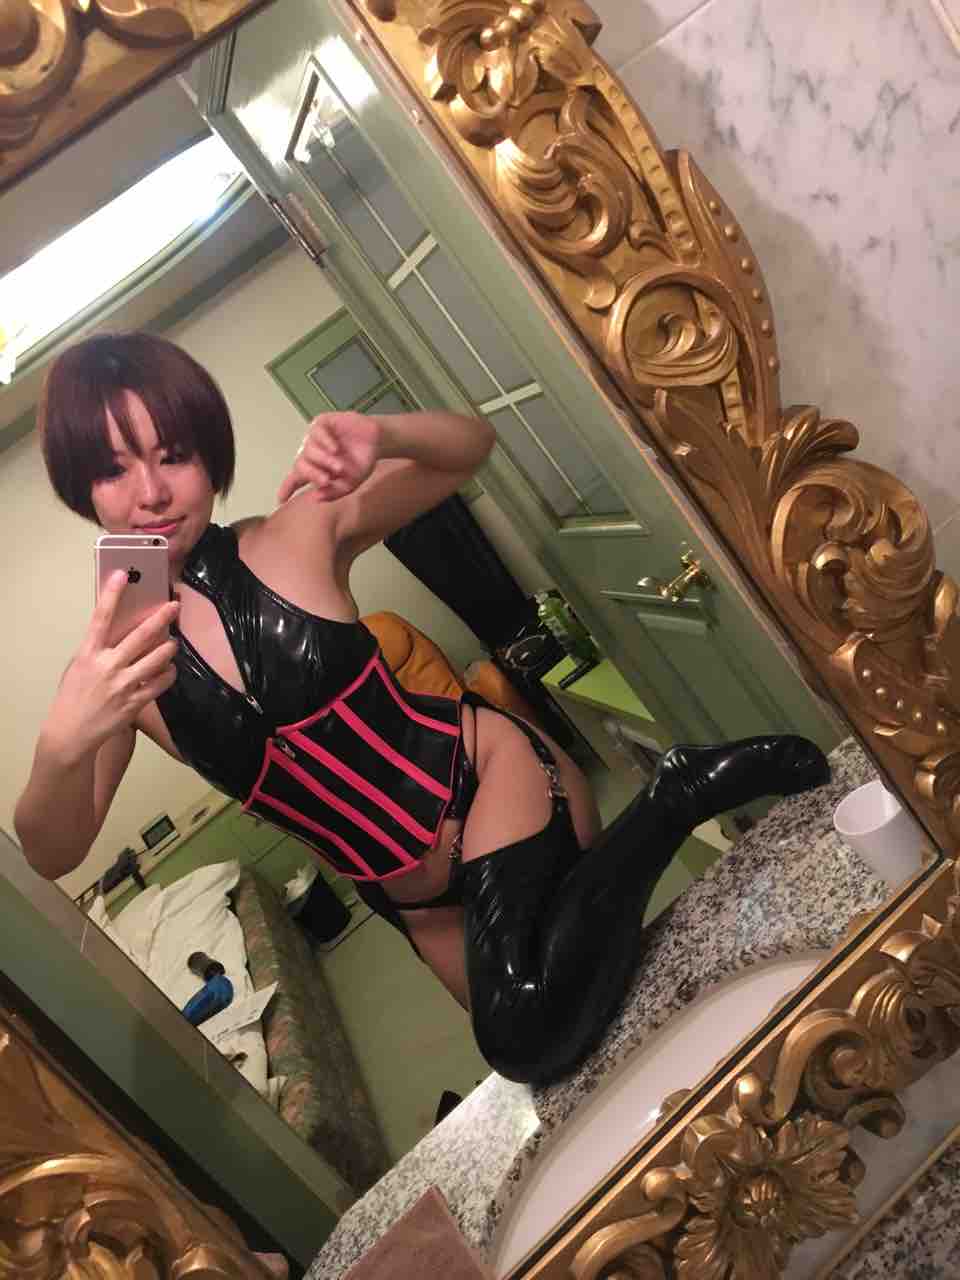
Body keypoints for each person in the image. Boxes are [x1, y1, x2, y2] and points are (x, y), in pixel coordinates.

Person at [15, 332, 830, 1086]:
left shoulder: (295, 533)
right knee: (580, 1047)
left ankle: (676, 793)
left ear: (208, 453)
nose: (152, 493)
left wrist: (385, 434)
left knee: (523, 1036)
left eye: (174, 456)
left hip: (489, 782)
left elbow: (472, 446)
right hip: (410, 900)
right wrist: (61, 742)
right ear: (81, 486)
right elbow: (53, 852)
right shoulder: (116, 671)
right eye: (114, 471)